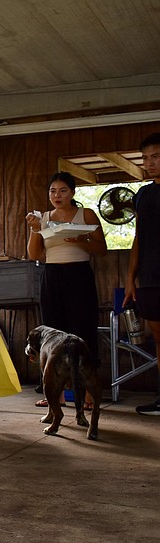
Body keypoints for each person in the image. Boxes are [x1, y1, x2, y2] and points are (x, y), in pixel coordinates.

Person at [26, 172, 107, 409]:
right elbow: (34, 255)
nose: (57, 195)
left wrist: (79, 240)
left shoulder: (86, 214)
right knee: (52, 334)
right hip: (51, 275)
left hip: (79, 274)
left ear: (72, 192)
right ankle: (55, 395)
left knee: (83, 332)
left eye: (62, 191)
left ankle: (90, 394)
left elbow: (102, 249)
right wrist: (34, 230)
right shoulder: (44, 217)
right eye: (52, 191)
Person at [124, 133, 160, 416]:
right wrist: (130, 278)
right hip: (149, 277)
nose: (150, 163)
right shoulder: (144, 194)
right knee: (159, 338)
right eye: (146, 158)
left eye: (156, 156)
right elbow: (138, 237)